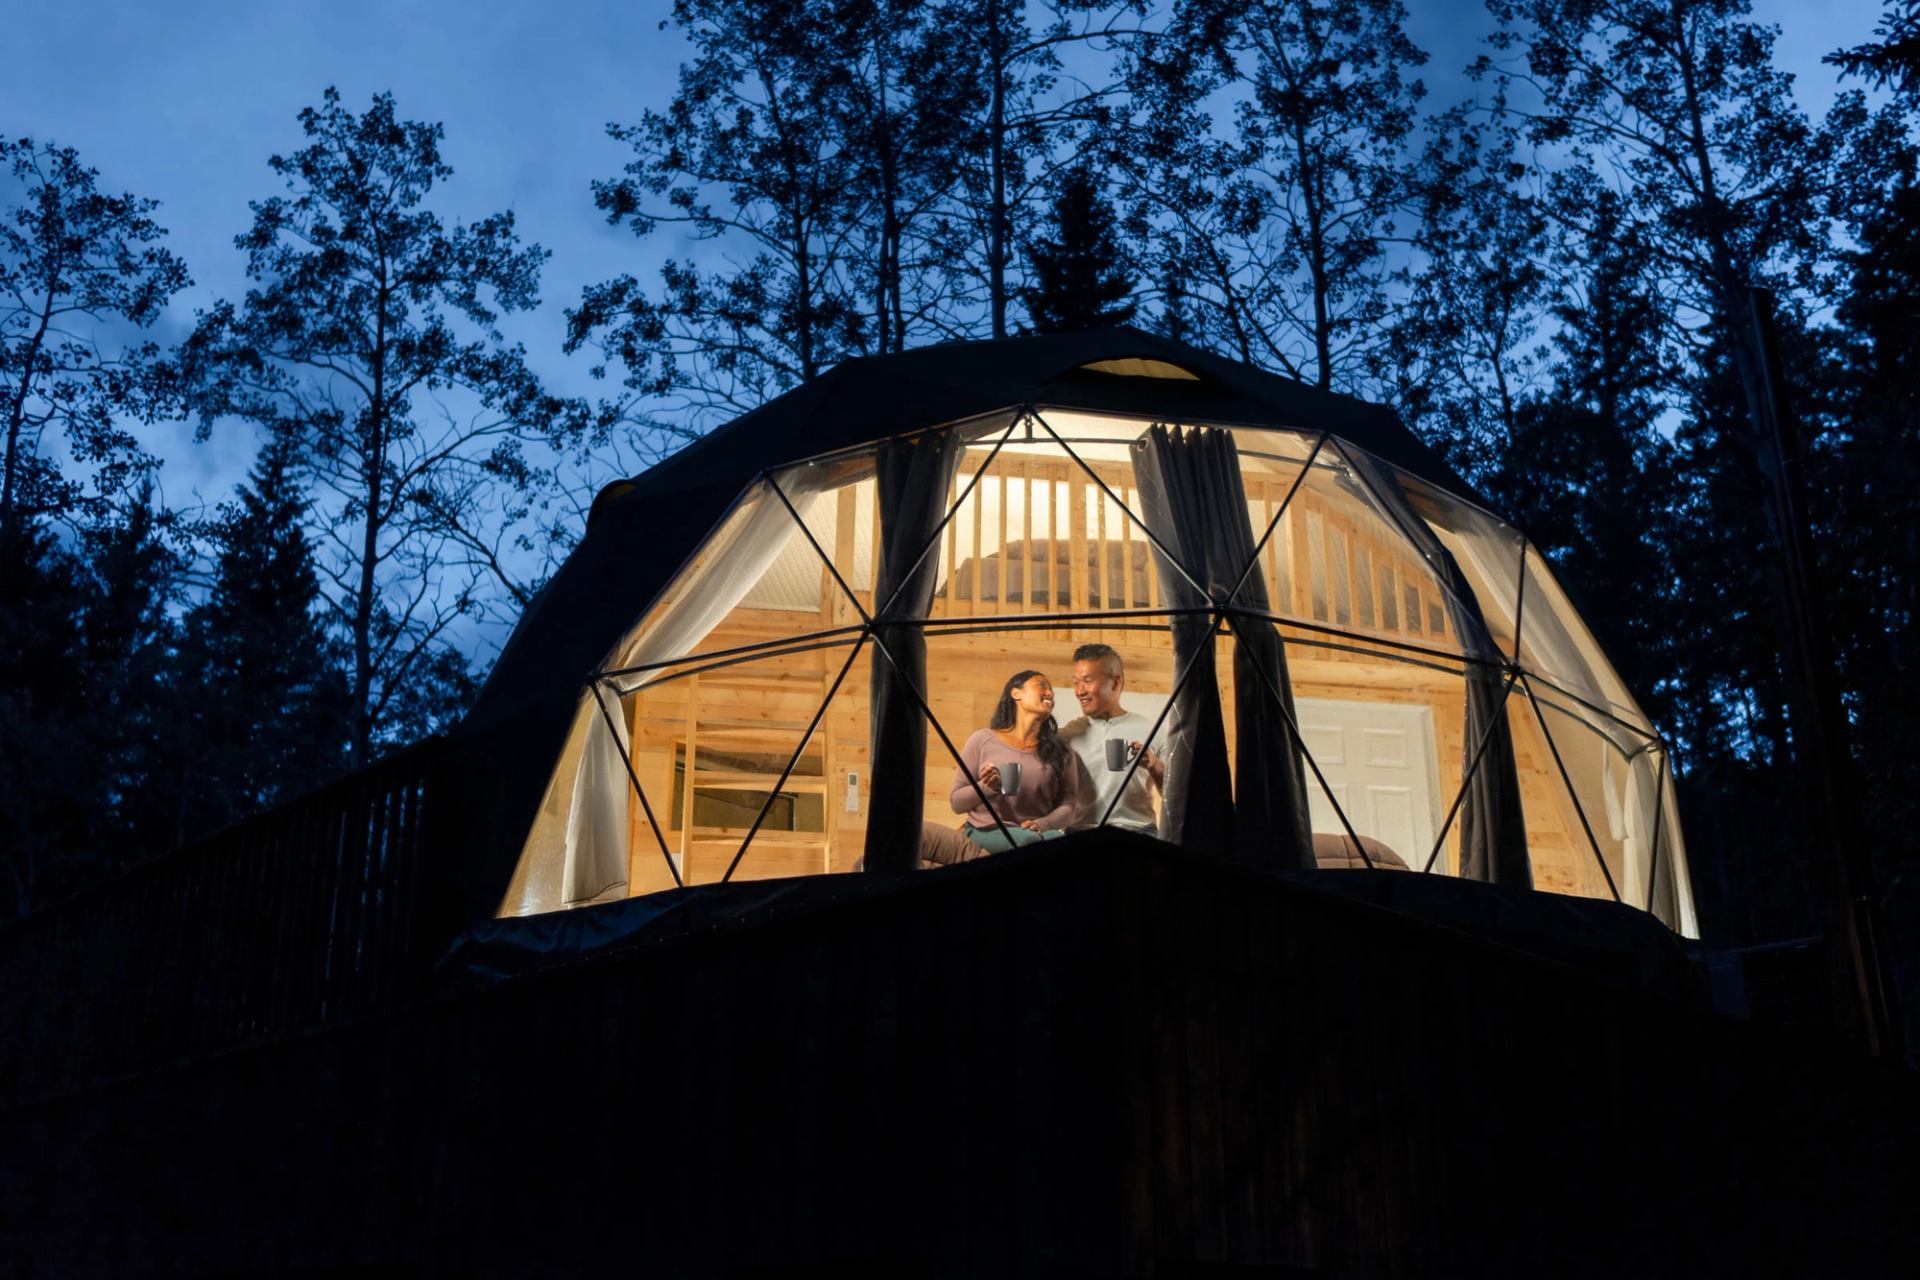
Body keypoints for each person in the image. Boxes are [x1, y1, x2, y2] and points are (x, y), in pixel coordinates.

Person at [950, 669, 1090, 852]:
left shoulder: (1061, 751)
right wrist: (987, 787)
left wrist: (1043, 824)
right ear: (1016, 693)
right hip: (987, 830)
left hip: (1038, 832)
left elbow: (1069, 805)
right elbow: (957, 803)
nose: (1050, 693)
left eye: (1051, 690)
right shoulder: (982, 740)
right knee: (1028, 842)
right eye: (1042, 685)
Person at [1058, 642, 1166, 834]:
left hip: (1139, 833)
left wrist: (1154, 765)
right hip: (1081, 833)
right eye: (1076, 683)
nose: (1080, 691)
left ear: (1115, 683)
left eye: (1087, 681)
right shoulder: (1067, 735)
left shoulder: (1153, 730)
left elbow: (1176, 795)